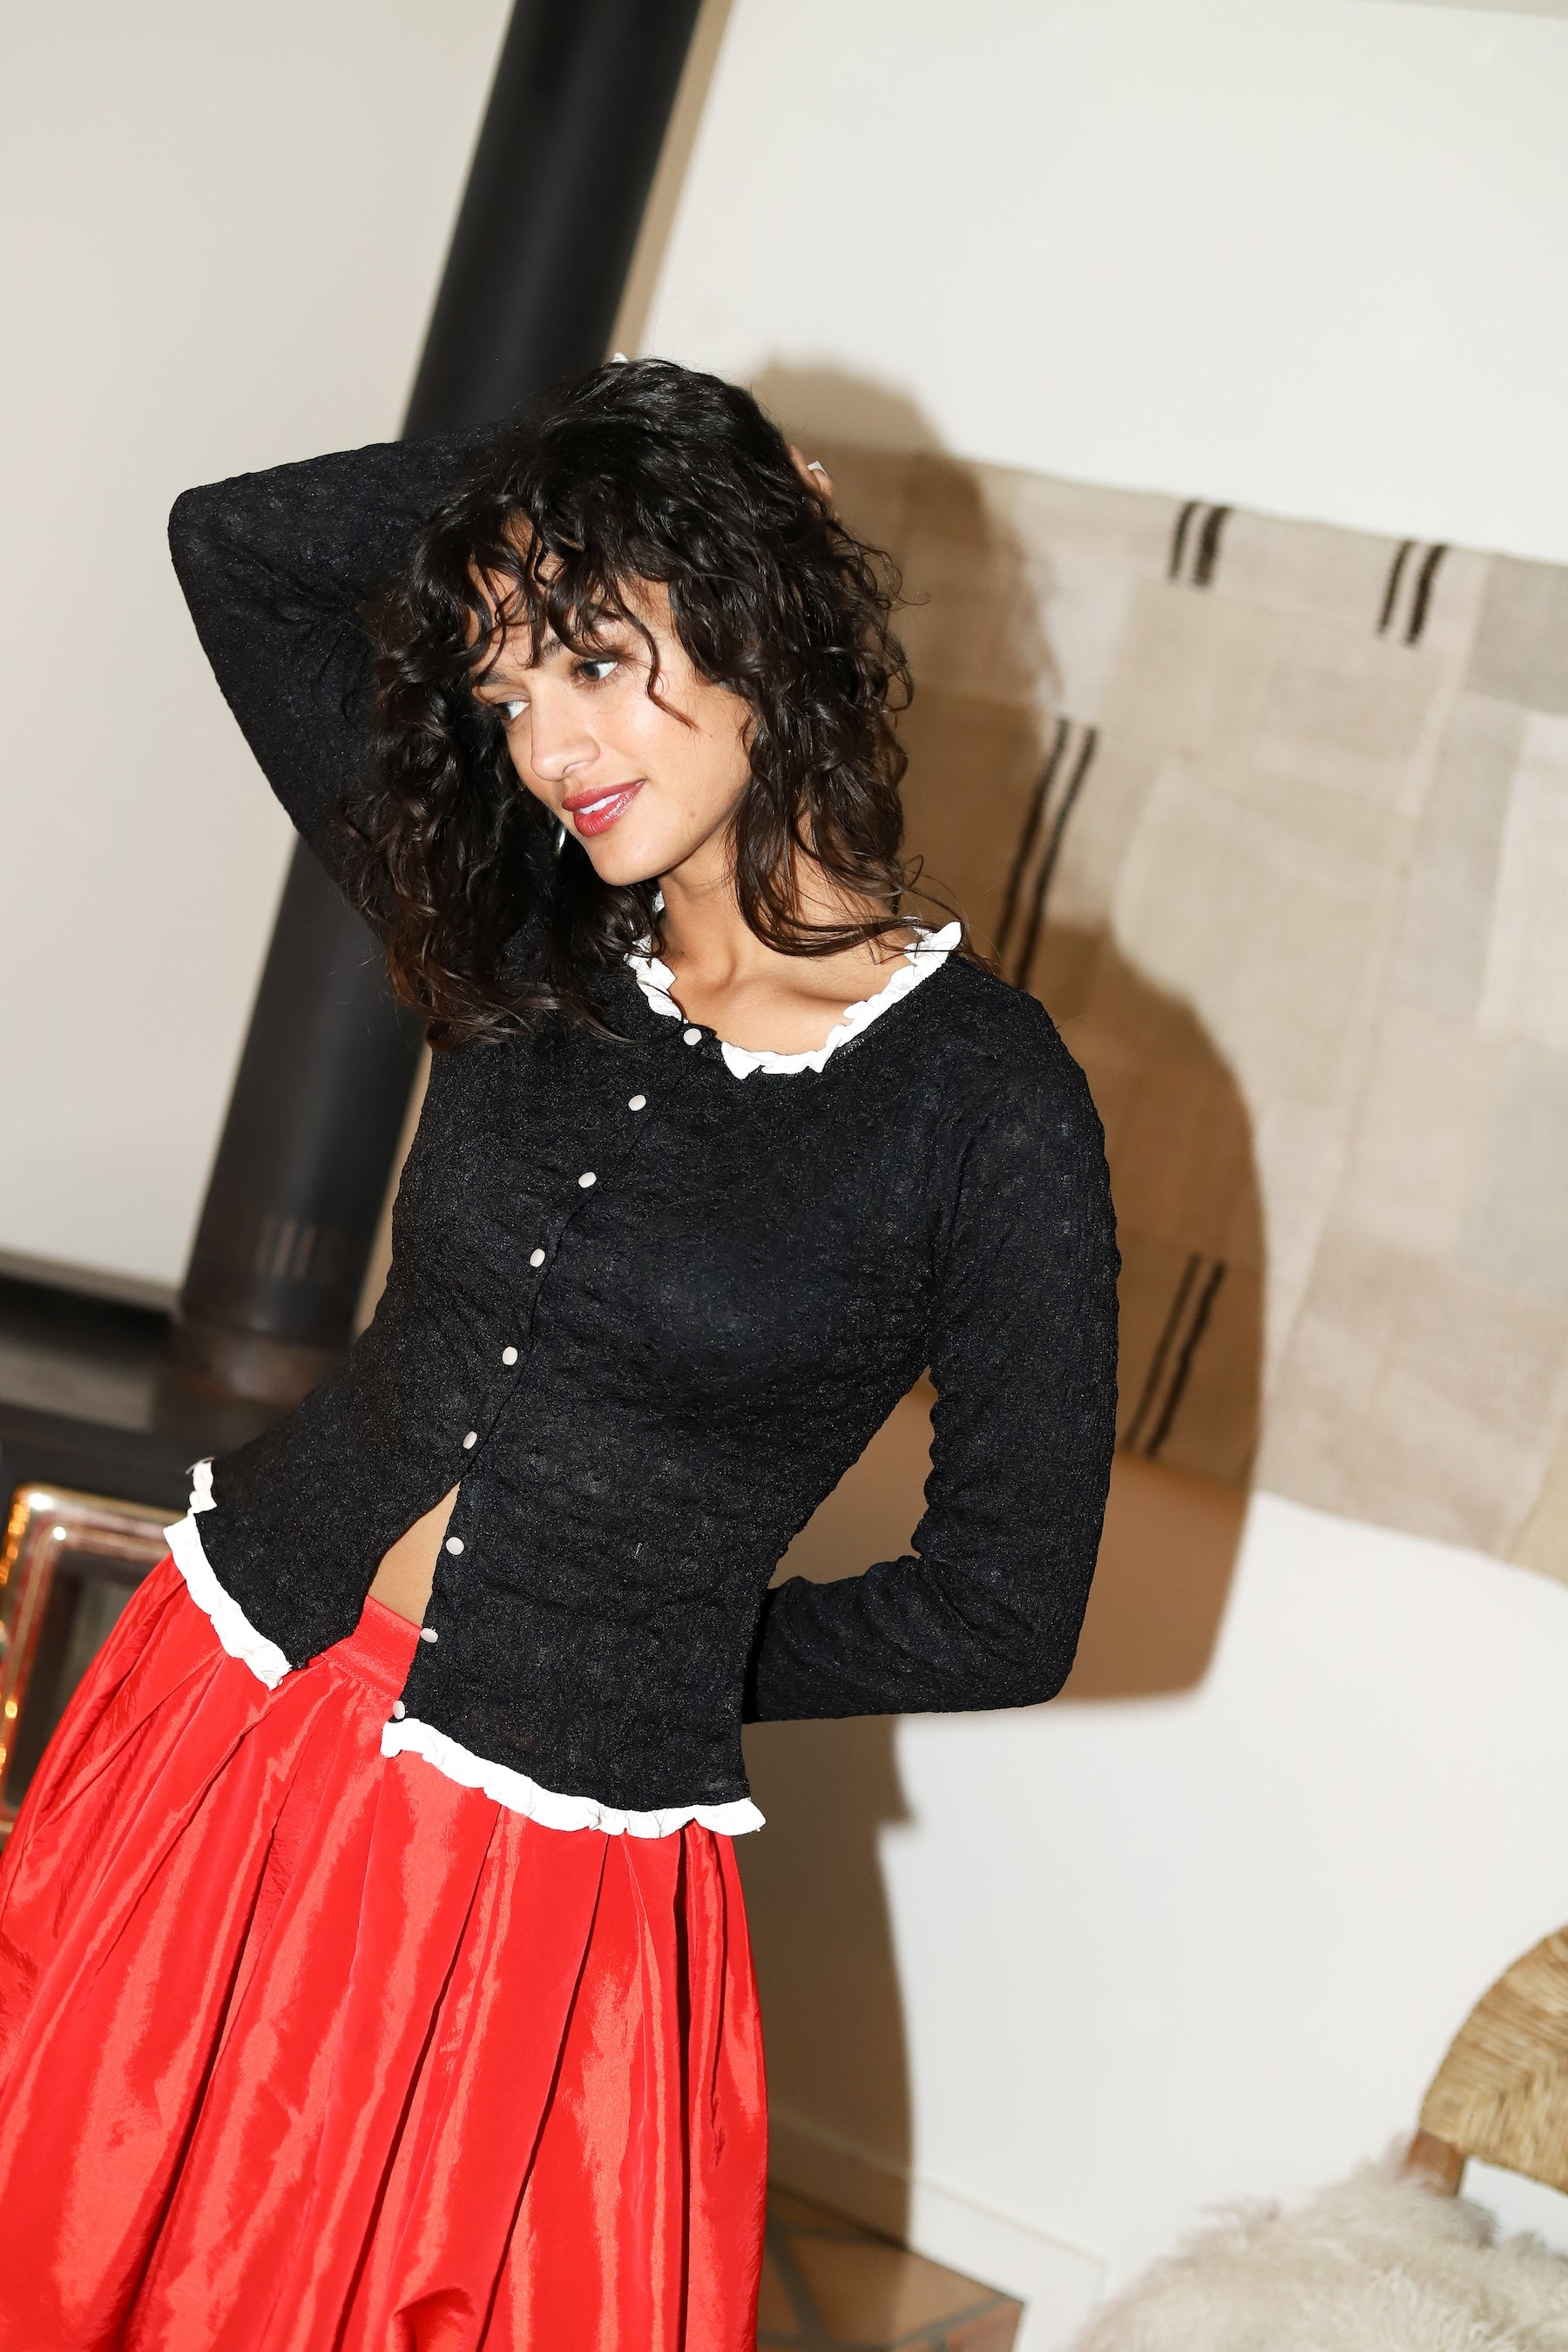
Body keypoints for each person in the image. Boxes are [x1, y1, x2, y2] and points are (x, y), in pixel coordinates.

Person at [0, 359, 1119, 2349]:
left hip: (518, 1882)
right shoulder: (521, 929)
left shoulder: (986, 1102)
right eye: (512, 691)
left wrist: (667, 1646)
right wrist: (588, 472)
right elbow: (235, 548)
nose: (549, 747)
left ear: (762, 606)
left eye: (598, 660)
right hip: (229, 1711)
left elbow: (1004, 1610)